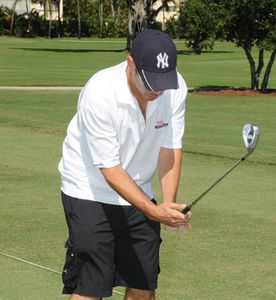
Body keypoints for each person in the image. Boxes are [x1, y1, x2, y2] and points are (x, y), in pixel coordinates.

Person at [58, 29, 191, 300]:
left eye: (163, 82)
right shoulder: (99, 92)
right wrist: (155, 213)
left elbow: (170, 149)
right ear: (130, 64)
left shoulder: (174, 87)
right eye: (149, 82)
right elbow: (111, 170)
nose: (157, 90)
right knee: (91, 285)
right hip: (88, 189)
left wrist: (167, 206)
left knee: (144, 284)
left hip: (139, 189)